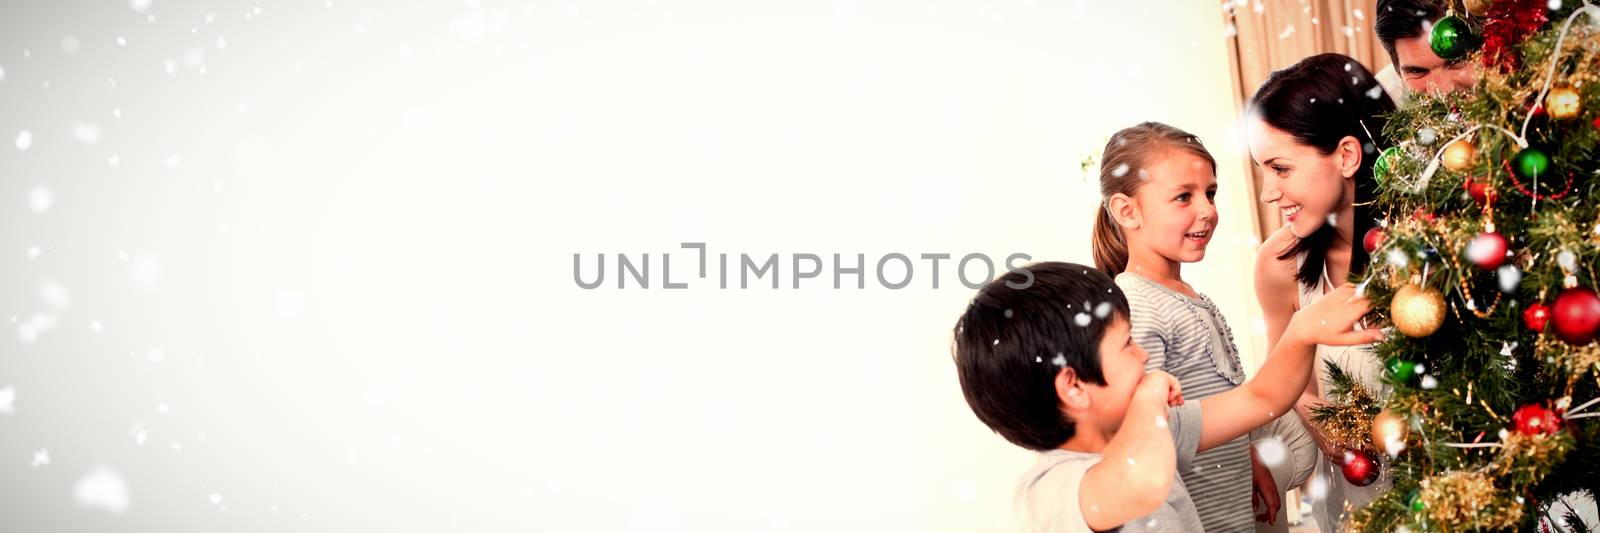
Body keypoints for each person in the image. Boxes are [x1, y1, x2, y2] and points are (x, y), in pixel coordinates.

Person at [950, 261, 1380, 532]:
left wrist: (1302, 331)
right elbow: (1141, 479)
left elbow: (1260, 399)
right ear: (1074, 387)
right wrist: (1149, 394)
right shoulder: (1049, 490)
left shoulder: (1151, 434)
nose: (1142, 357)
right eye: (1125, 346)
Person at [1090, 122, 1316, 531]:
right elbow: (1147, 433)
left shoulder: (1187, 295)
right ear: (1127, 211)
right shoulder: (1138, 306)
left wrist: (1245, 452)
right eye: (1183, 197)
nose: (1207, 210)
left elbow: (1210, 408)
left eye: (1210, 193)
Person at [1246, 52, 1397, 532]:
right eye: (1262, 171)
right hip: (1353, 512)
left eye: (1281, 168)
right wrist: (1322, 419)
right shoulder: (1279, 266)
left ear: (1348, 155)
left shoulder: (1436, 250)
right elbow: (1286, 385)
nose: (1269, 192)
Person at [1373, 0, 1479, 101]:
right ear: (1398, 71)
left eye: (1456, 61)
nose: (1444, 91)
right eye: (1417, 71)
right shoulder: (1383, 99)